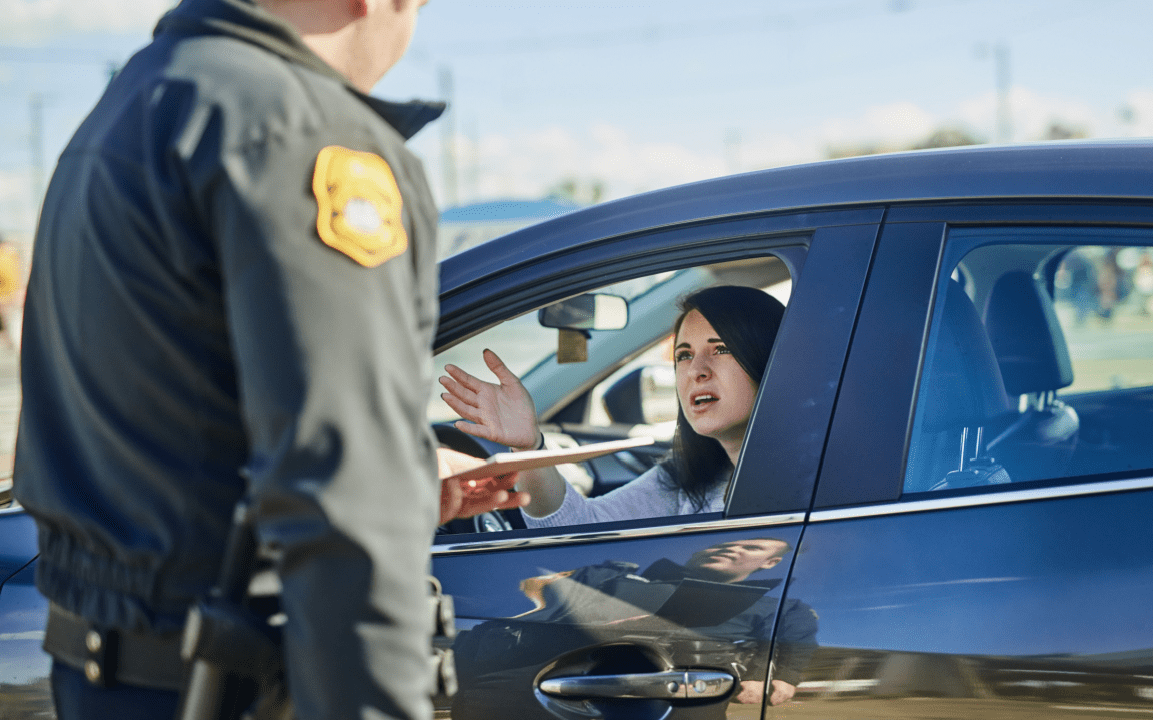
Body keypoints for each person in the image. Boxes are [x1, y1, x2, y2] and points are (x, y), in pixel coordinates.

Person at [13, 1, 525, 719]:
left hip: (106, 676)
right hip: (227, 688)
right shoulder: (304, 132)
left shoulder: (136, 101)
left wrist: (404, 475)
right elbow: (341, 497)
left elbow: (175, 431)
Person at [440, 285, 786, 527]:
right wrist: (529, 445)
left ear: (766, 357)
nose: (696, 371)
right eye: (684, 355)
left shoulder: (818, 483)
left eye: (721, 349)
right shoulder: (687, 477)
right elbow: (578, 530)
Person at [448, 536, 818, 719]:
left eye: (751, 547)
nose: (733, 548)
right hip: (545, 670)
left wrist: (776, 675)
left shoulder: (778, 607)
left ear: (770, 563)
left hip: (673, 689)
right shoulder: (614, 573)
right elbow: (531, 598)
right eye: (724, 540)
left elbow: (790, 645)